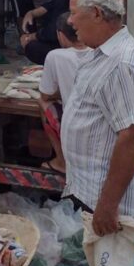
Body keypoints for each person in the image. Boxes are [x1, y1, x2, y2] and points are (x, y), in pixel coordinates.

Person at [62, 0, 134, 235]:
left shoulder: (121, 63)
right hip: (91, 190)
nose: (70, 22)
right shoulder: (103, 54)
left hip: (112, 204)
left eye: (74, 13)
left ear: (95, 13)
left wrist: (106, 206)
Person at [38, 12, 90, 174]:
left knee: (42, 103)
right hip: (101, 125)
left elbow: (45, 95)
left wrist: (61, 93)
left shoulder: (55, 56)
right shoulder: (100, 52)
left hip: (74, 126)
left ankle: (62, 160)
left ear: (60, 35)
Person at [20, 0, 71, 64]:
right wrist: (31, 13)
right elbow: (51, 5)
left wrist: (32, 37)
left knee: (32, 47)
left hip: (75, 46)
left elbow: (53, 32)